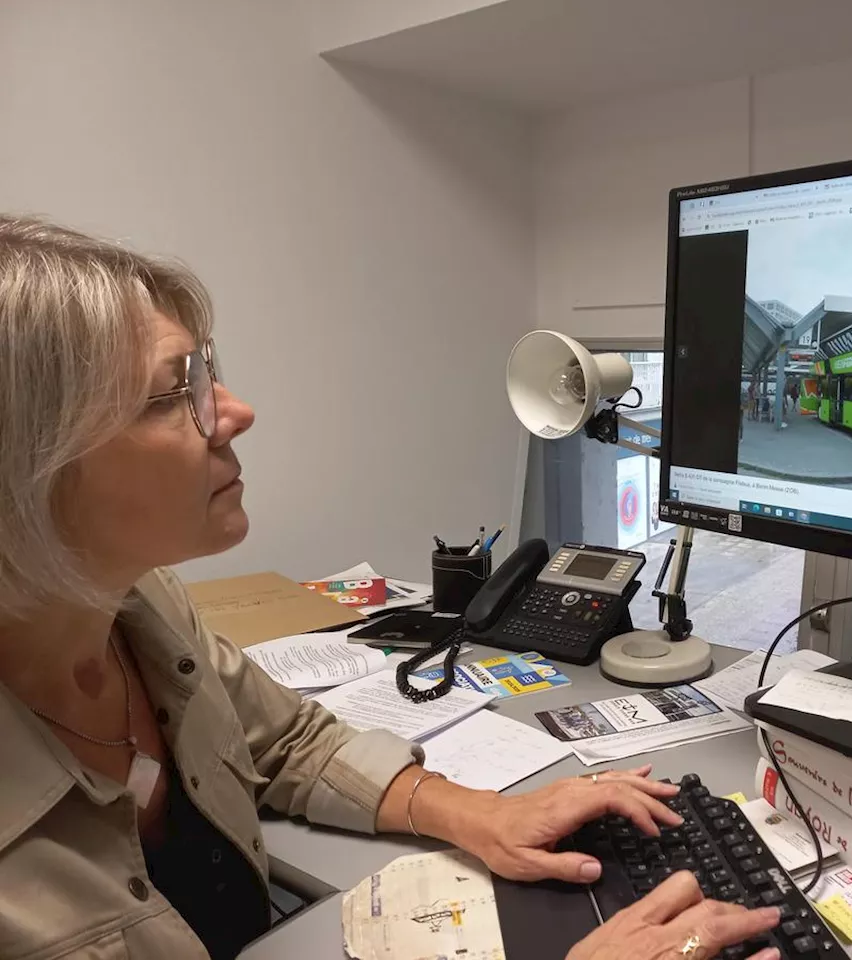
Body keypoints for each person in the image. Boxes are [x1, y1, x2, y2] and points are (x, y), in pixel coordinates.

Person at [0, 216, 782, 960]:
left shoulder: (147, 605)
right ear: (27, 467)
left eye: (209, 373)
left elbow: (288, 742)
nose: (236, 412)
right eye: (176, 392)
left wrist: (485, 813)